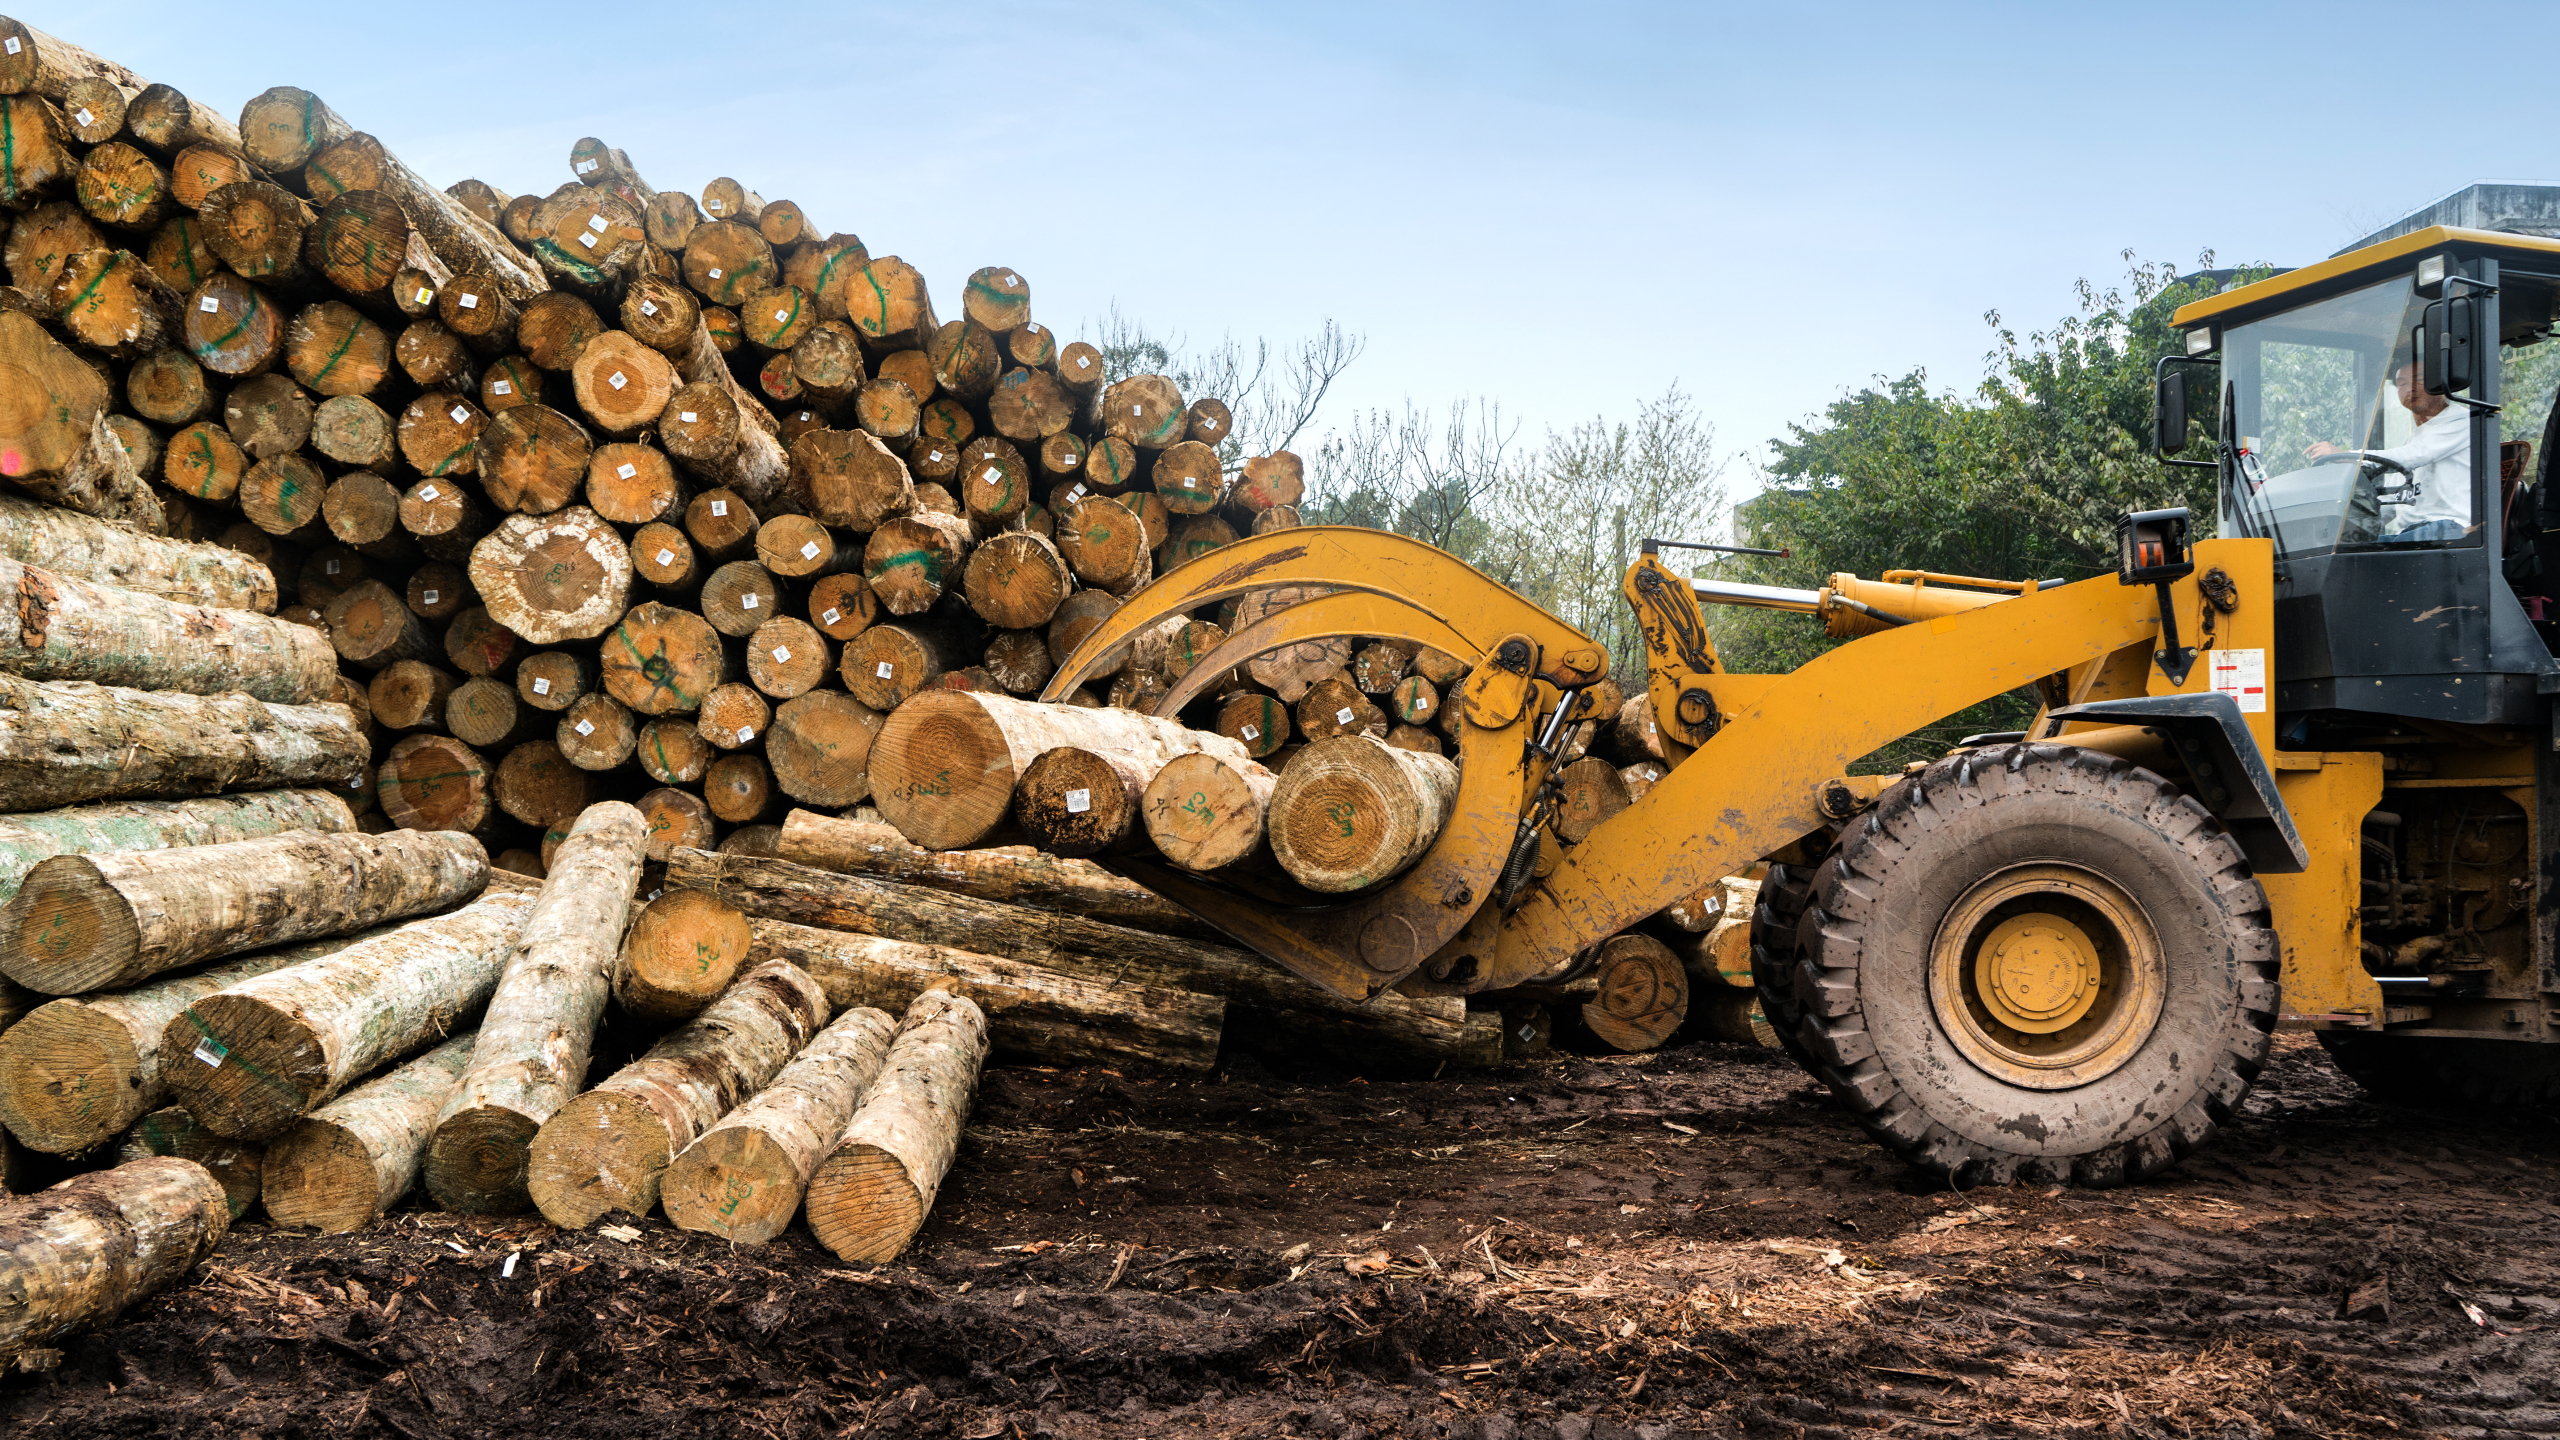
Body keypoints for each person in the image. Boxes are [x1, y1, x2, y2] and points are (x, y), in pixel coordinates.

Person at [2305, 358, 2471, 544]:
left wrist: (2347, 457)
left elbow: (2412, 456)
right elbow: (2394, 500)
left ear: (2439, 383)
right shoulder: (2415, 440)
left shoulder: (2460, 420)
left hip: (2451, 529)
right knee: (2348, 550)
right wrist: (2347, 527)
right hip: (2416, 532)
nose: (2411, 388)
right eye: (2402, 383)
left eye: (2420, 379)